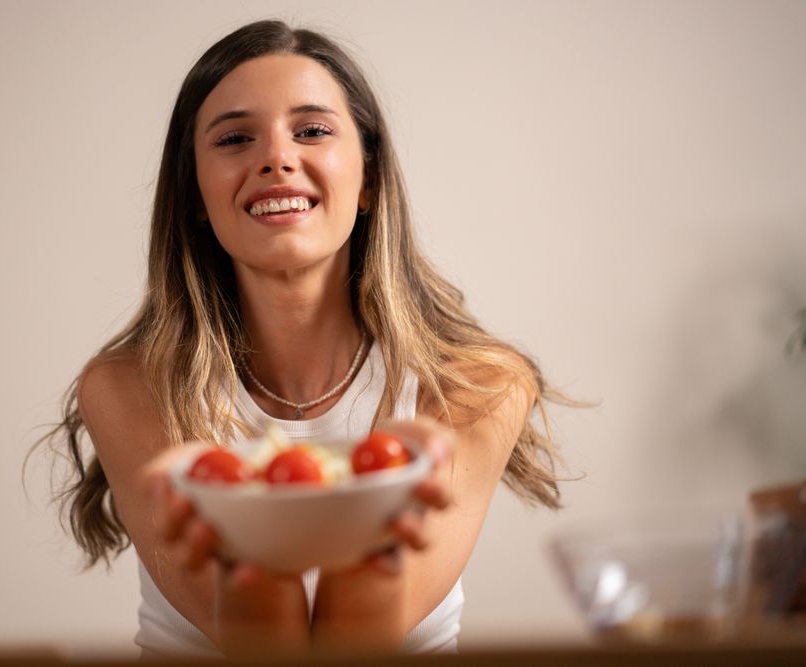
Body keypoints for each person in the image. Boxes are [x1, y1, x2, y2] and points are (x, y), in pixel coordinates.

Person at [42, 19, 566, 660]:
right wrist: (361, 509)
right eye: (235, 138)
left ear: (369, 178)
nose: (275, 157)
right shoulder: (128, 388)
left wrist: (360, 524)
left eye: (312, 130)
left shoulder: (477, 387)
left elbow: (354, 651)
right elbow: (269, 652)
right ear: (196, 196)